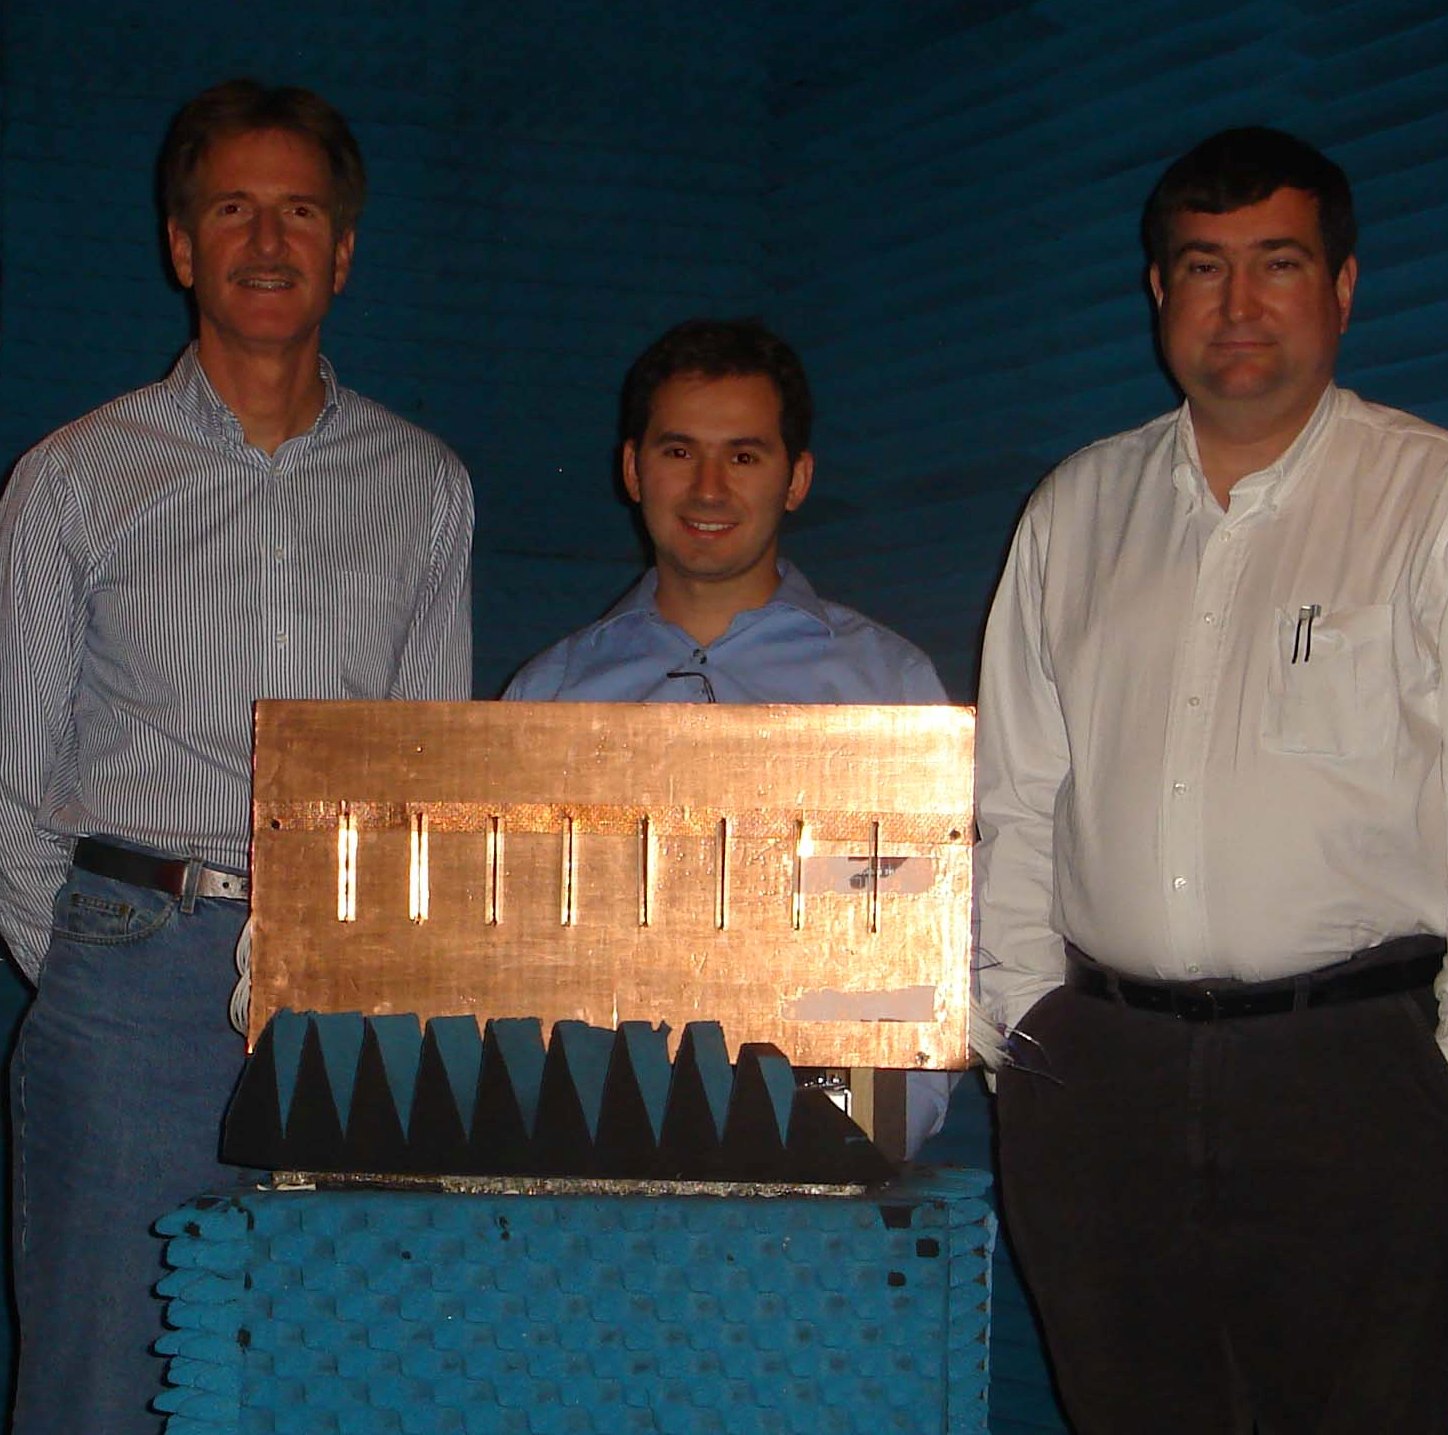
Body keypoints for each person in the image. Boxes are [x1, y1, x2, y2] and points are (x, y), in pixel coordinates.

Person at [974, 126, 1448, 1433]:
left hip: (1357, 1079)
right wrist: (1020, 1032)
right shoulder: (1072, 510)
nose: (1237, 302)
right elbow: (1013, 793)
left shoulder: (1439, 497)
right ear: (1157, 293)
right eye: (1202, 266)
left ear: (1340, 288)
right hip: (1098, 1082)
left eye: (1276, 264)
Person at [0, 80, 473, 1432]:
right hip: (130, 970)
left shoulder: (424, 484)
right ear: (180, 245)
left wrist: (356, 964)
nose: (268, 239)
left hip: (341, 988)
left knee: (321, 1370)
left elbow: (423, 776)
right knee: (104, 1376)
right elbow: (13, 774)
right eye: (232, 208)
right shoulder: (75, 478)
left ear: (343, 251)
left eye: (301, 210)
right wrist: (106, 949)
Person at [505, 317, 950, 1152]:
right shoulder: (548, 696)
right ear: (633, 469)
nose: (709, 488)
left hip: (821, 1142)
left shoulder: (887, 688)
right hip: (591, 1146)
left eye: (744, 455)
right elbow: (508, 955)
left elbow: (926, 948)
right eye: (679, 452)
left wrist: (868, 1133)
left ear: (797, 477)